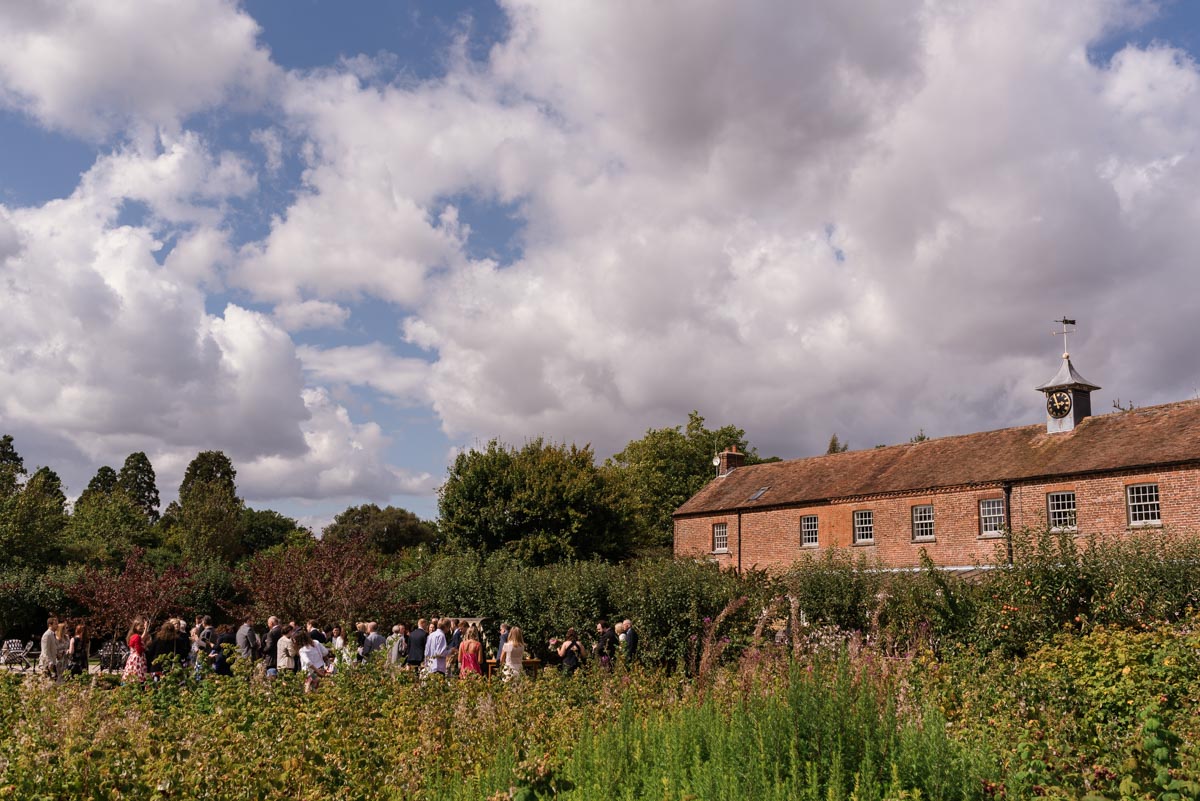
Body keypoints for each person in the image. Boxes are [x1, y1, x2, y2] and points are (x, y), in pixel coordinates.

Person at [121, 617, 149, 684]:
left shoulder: (134, 636)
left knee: (131, 674)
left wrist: (146, 628)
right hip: (137, 659)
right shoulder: (136, 637)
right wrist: (145, 648)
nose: (142, 627)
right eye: (141, 626)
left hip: (132, 657)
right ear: (136, 626)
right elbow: (139, 650)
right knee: (137, 674)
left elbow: (143, 637)